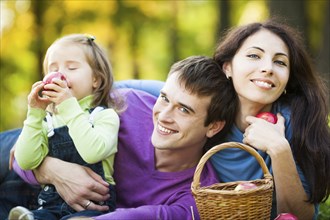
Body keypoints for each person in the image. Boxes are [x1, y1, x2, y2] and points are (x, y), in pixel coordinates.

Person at [6, 55, 237, 219]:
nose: (164, 116)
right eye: (165, 98)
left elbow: (148, 216)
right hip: (36, 182)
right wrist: (55, 172)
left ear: (214, 126)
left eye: (184, 110)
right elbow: (18, 159)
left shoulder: (201, 192)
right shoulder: (126, 105)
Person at [210, 19, 330, 219]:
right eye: (254, 55)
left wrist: (279, 149)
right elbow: (154, 89)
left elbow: (303, 217)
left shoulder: (297, 122)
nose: (268, 68)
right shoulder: (204, 113)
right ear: (227, 67)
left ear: (288, 79)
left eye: (280, 62)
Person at [8, 33, 121, 219]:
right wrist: (35, 114)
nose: (59, 74)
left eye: (71, 67)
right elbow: (26, 160)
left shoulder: (104, 116)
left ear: (96, 80)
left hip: (93, 207)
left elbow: (92, 152)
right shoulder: (48, 121)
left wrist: (68, 105)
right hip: (49, 205)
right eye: (53, 69)